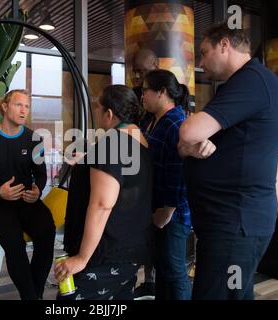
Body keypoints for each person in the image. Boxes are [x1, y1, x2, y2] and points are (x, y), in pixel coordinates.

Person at [178, 22, 278, 300]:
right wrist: (189, 150)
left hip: (236, 225)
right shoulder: (241, 84)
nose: (201, 63)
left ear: (224, 45)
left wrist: (189, 143)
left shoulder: (252, 81)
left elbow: (189, 131)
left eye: (204, 53)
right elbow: (187, 143)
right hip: (230, 225)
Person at [54, 85, 153, 300]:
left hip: (104, 254)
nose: (95, 112)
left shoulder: (112, 143)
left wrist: (81, 258)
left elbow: (102, 205)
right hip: (130, 249)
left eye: (97, 107)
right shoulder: (142, 143)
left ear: (108, 113)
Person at [0, 89, 56, 300]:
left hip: (26, 201)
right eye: (19, 105)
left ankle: (35, 293)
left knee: (47, 232)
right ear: (5, 107)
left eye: (27, 106)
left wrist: (37, 191)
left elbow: (40, 174)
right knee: (15, 244)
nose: (23, 110)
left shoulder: (33, 139)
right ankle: (30, 297)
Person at [142, 69, 192, 300]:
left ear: (161, 92)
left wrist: (168, 210)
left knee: (174, 272)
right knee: (163, 269)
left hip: (172, 214)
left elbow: (179, 172)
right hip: (159, 210)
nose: (142, 96)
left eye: (145, 91)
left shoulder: (176, 123)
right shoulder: (156, 121)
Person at [131, 48, 158, 298]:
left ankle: (156, 283)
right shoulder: (134, 97)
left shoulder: (166, 100)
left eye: (143, 70)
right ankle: (149, 283)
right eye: (135, 72)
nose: (138, 76)